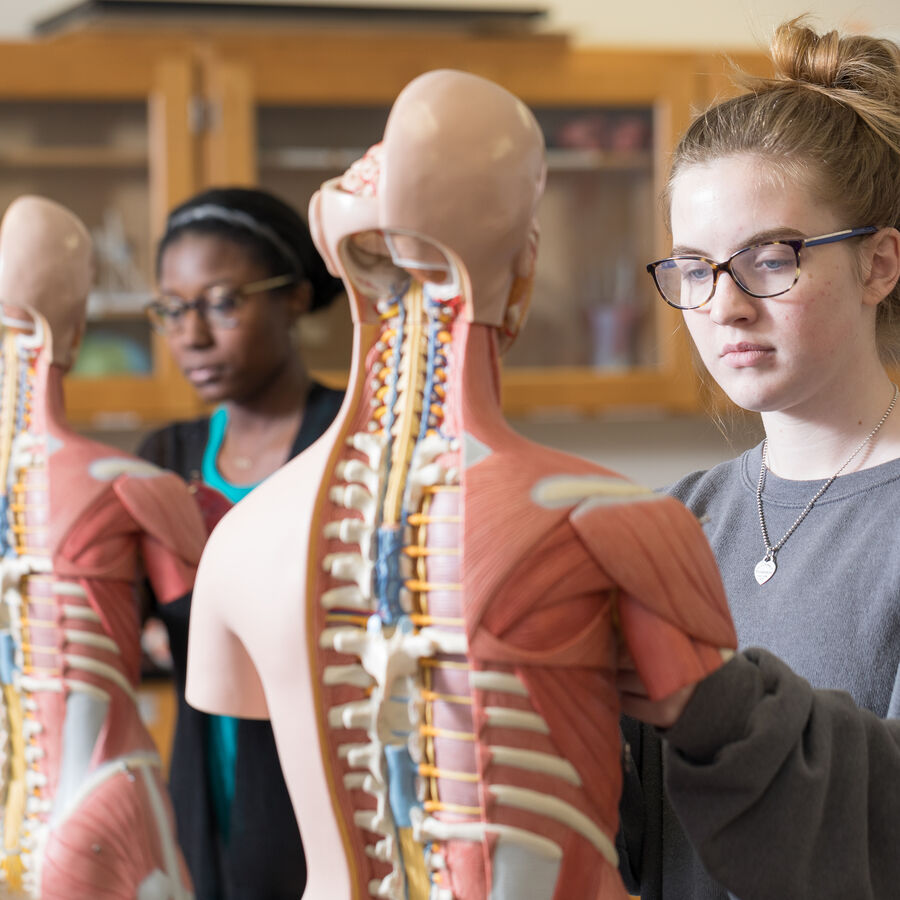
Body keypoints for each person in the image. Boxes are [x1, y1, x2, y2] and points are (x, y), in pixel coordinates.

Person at [181, 70, 735, 900]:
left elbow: (240, 706)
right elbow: (725, 751)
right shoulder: (622, 522)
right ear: (526, 268)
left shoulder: (239, 538)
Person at [617, 17, 900, 900]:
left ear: (879, 264)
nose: (725, 306)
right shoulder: (668, 524)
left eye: (769, 258)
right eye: (695, 269)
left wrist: (709, 698)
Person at [137, 186, 345, 900]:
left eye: (222, 303)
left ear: (291, 298)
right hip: (203, 780)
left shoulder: (347, 440)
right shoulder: (166, 456)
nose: (190, 334)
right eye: (172, 307)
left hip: (327, 782)